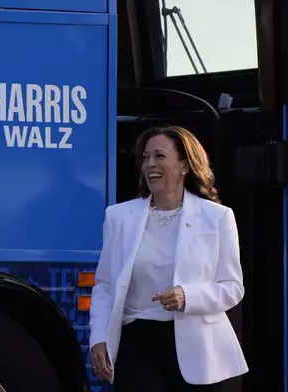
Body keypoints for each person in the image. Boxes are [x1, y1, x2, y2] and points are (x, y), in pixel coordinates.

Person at [89, 125, 248, 391]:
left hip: (196, 347)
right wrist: (98, 338)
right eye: (145, 157)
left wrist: (188, 295)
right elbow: (105, 285)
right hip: (137, 342)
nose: (150, 164)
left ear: (184, 164)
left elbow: (232, 288)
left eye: (159, 156)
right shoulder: (119, 217)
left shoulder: (218, 217)